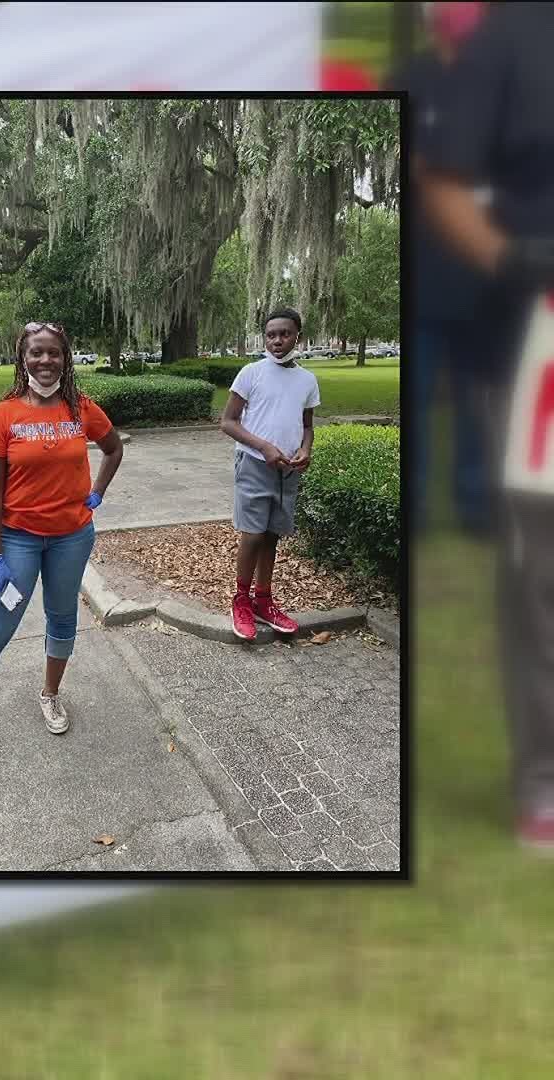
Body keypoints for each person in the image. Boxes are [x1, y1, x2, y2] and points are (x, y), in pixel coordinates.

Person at [421, 1, 554, 852]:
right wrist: (514, 258)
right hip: (541, 335)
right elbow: (440, 176)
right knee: (542, 562)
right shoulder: (515, 35)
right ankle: (545, 777)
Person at [0, 320, 125, 761]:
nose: (45, 361)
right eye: (36, 352)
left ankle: (50, 693)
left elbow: (113, 448)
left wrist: (96, 493)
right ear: (23, 357)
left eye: (53, 353)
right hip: (18, 541)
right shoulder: (4, 415)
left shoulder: (80, 408)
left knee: (62, 619)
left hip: (72, 538)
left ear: (65, 357)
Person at [391, 1, 496, 536]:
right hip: (428, 283)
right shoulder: (414, 78)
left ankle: (476, 503)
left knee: (477, 400)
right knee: (423, 398)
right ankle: (420, 508)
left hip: (485, 285)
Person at [219, 308, 318, 643]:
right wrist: (263, 447)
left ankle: (263, 600)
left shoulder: (307, 380)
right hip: (254, 465)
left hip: (287, 470)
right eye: (271, 334)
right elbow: (228, 422)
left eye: (285, 334)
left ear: (297, 336)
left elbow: (307, 426)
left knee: (272, 534)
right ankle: (241, 600)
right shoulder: (251, 373)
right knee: (253, 534)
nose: (278, 341)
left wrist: (306, 449)